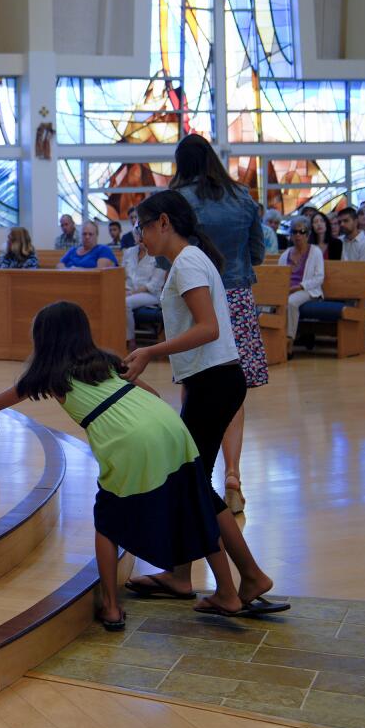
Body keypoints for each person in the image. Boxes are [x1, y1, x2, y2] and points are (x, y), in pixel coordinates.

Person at [0, 302, 229, 632]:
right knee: (194, 504)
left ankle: (110, 607)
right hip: (169, 427)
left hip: (129, 440)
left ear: (44, 339)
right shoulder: (106, 360)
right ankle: (227, 591)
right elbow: (151, 394)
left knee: (108, 521)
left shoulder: (48, 375)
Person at [119, 191, 286, 615]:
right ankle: (181, 575)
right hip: (210, 381)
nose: (140, 238)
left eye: (141, 227)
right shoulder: (188, 260)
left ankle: (247, 576)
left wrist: (150, 352)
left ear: (162, 222)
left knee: (190, 483)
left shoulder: (189, 262)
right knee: (187, 480)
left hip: (215, 381)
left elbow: (208, 328)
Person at [166, 135, 269, 514]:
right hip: (237, 298)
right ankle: (233, 475)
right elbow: (258, 252)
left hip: (195, 299)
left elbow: (167, 259)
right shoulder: (242, 196)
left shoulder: (179, 200)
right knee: (232, 390)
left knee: (195, 383)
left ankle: (198, 473)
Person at [277, 217, 325, 349]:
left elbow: (319, 277)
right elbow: (279, 277)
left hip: (308, 290)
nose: (298, 235)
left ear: (308, 234)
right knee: (271, 304)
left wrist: (299, 287)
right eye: (294, 232)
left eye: (302, 231)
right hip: (286, 291)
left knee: (291, 302)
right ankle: (274, 339)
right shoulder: (285, 254)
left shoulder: (315, 252)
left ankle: (289, 341)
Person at [123, 243, 167, 351]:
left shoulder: (159, 253)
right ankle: (114, 340)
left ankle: (130, 340)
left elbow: (154, 285)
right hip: (129, 292)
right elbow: (121, 274)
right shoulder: (129, 252)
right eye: (138, 233)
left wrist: (132, 292)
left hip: (151, 294)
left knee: (125, 303)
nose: (141, 238)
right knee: (111, 299)